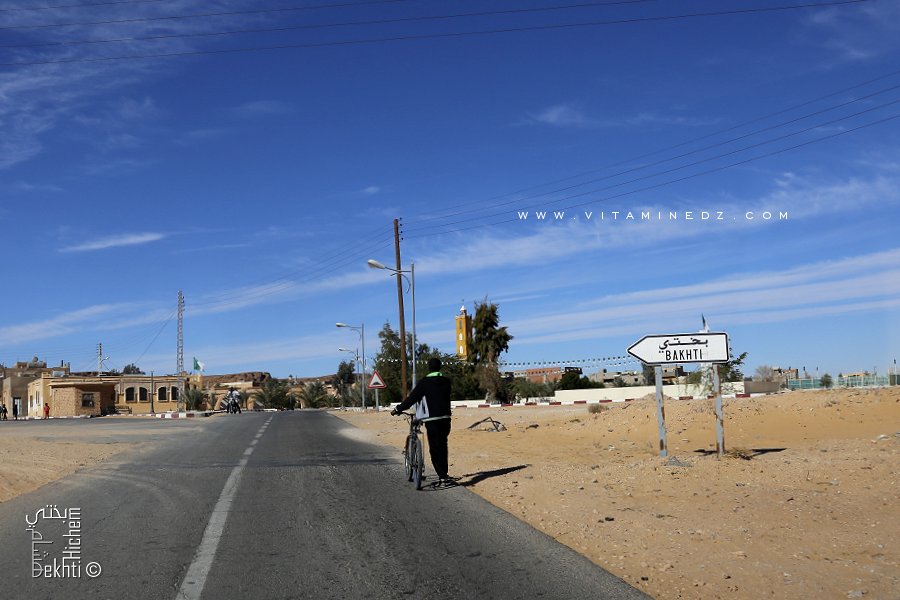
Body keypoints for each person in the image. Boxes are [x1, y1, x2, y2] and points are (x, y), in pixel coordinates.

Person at [391, 357, 453, 484]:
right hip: (446, 418)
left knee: (434, 447)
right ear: (440, 367)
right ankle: (444, 474)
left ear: (429, 368)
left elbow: (412, 399)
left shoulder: (424, 382)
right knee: (442, 445)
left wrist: (398, 409)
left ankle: (441, 475)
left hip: (432, 419)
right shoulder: (447, 381)